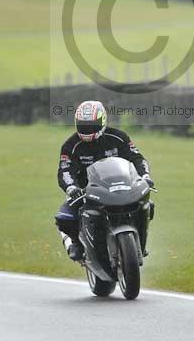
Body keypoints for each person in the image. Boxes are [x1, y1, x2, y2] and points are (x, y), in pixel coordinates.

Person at [55, 100, 153, 261]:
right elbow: (65, 170)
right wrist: (71, 188)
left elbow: (137, 158)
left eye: (91, 125)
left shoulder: (118, 137)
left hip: (122, 186)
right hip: (86, 192)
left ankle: (141, 242)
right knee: (64, 217)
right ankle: (77, 243)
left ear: (102, 122)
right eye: (83, 125)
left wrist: (145, 176)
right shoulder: (70, 146)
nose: (86, 130)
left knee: (147, 204)